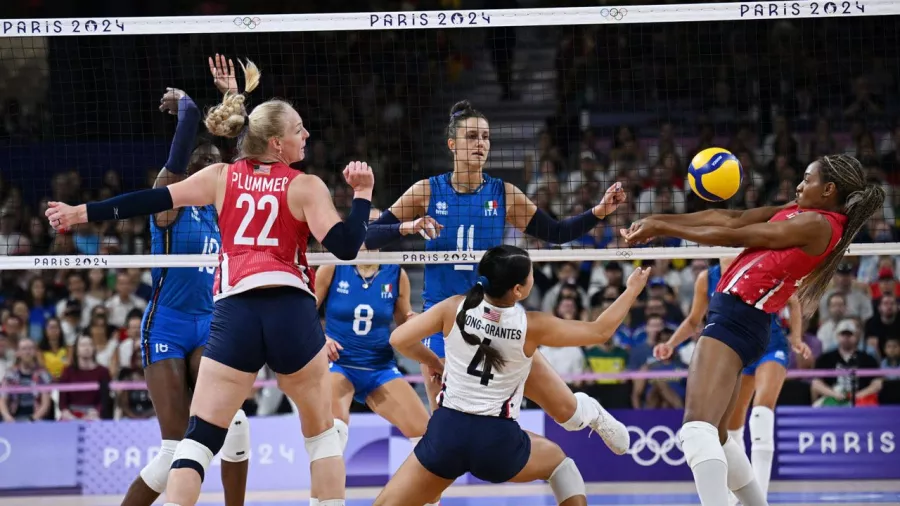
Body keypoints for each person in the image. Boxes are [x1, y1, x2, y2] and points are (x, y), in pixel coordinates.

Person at [47, 59, 373, 506]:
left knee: (197, 442)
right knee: (322, 436)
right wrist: (363, 195)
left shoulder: (222, 177)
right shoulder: (307, 186)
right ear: (277, 143)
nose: (307, 135)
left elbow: (150, 198)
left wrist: (80, 212)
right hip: (290, 308)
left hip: (234, 309)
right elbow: (347, 247)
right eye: (300, 129)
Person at [365, 100, 630, 453]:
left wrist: (598, 212)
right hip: (443, 323)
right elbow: (368, 237)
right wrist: (407, 226)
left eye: (486, 137)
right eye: (472, 136)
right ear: (452, 144)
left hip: (497, 318)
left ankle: (590, 412)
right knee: (444, 436)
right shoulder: (427, 191)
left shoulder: (503, 194)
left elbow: (555, 232)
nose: (481, 144)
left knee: (565, 411)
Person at [622, 154, 885, 506]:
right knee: (717, 433)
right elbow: (732, 217)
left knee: (695, 431)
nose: (799, 185)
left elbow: (738, 234)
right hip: (743, 319)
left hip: (738, 317)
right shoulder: (803, 212)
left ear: (829, 189)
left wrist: (664, 229)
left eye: (807, 179)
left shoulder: (820, 225)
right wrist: (658, 219)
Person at [373, 245, 651, 506]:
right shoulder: (532, 325)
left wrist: (435, 362)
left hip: (447, 434)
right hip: (496, 442)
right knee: (562, 467)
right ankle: (586, 412)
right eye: (530, 273)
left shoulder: (453, 306)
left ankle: (589, 412)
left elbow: (398, 339)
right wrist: (632, 290)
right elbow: (599, 331)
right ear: (518, 289)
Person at [121, 55, 251, 506]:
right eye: (205, 164)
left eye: (219, 165)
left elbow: (247, 162)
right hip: (167, 327)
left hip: (209, 323)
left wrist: (232, 99)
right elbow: (175, 165)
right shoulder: (170, 208)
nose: (216, 171)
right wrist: (190, 116)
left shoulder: (225, 211)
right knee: (173, 451)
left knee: (235, 424)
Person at [654, 258, 811, 504]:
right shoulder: (707, 278)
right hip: (732, 350)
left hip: (769, 344)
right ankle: (737, 498)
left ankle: (762, 494)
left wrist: (796, 337)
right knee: (727, 431)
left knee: (760, 413)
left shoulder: (758, 262)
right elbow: (694, 319)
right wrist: (670, 344)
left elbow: (792, 299)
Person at [313, 208, 434, 506]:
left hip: (380, 368)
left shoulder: (396, 273)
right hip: (339, 364)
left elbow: (404, 319)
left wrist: (416, 320)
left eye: (378, 224)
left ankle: (428, 500)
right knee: (333, 434)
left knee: (428, 438)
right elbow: (306, 310)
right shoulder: (333, 266)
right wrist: (322, 337)